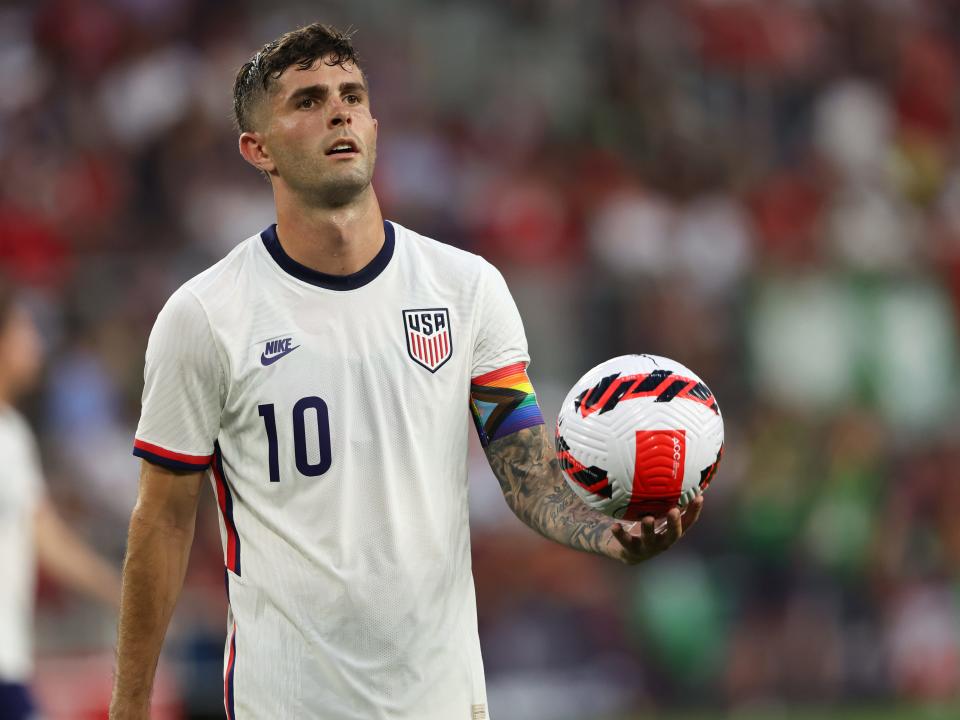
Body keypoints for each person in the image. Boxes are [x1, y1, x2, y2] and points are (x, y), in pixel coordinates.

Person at [109, 23, 704, 720]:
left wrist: (603, 534)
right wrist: (129, 707)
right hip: (288, 702)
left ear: (373, 124)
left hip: (441, 701)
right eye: (306, 101)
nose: (338, 112)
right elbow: (164, 523)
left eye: (351, 96)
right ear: (257, 149)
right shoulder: (206, 316)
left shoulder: (465, 288)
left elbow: (523, 461)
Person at [0, 277, 121, 720]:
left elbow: (46, 536)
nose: (35, 344)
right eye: (25, 330)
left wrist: (120, 589)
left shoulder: (12, 433)